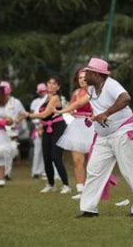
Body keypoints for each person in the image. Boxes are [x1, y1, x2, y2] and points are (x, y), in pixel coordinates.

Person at [77, 58, 133, 217]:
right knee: (94, 170)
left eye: (88, 71)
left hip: (122, 131)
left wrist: (106, 113)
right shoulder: (91, 88)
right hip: (103, 136)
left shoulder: (111, 85)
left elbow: (126, 98)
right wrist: (94, 115)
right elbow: (96, 105)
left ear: (96, 74)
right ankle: (89, 209)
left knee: (131, 169)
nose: (84, 74)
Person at [22, 76, 71, 194]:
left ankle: (66, 185)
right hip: (46, 128)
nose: (51, 85)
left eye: (54, 83)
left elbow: (44, 115)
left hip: (58, 128)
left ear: (58, 86)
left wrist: (28, 115)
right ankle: (51, 184)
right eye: (49, 83)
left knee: (56, 156)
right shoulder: (46, 98)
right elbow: (43, 117)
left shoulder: (55, 97)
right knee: (47, 157)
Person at [55, 69, 94, 199]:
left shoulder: (95, 91)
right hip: (77, 126)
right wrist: (71, 112)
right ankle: (81, 190)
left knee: (93, 161)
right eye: (79, 78)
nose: (82, 80)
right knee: (77, 160)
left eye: (84, 77)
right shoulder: (76, 93)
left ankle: (93, 189)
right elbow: (72, 107)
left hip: (92, 126)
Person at [0, 81, 25, 180]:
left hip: (12, 130)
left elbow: (23, 113)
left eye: (7, 91)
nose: (6, 93)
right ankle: (0, 173)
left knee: (9, 151)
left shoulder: (16, 102)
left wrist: (17, 121)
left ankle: (7, 174)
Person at [29, 83, 47, 179]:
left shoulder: (49, 99)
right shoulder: (35, 102)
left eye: (43, 91)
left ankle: (45, 171)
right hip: (37, 127)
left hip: (46, 126)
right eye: (40, 91)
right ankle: (35, 171)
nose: (42, 93)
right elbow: (32, 115)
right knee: (37, 151)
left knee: (46, 151)